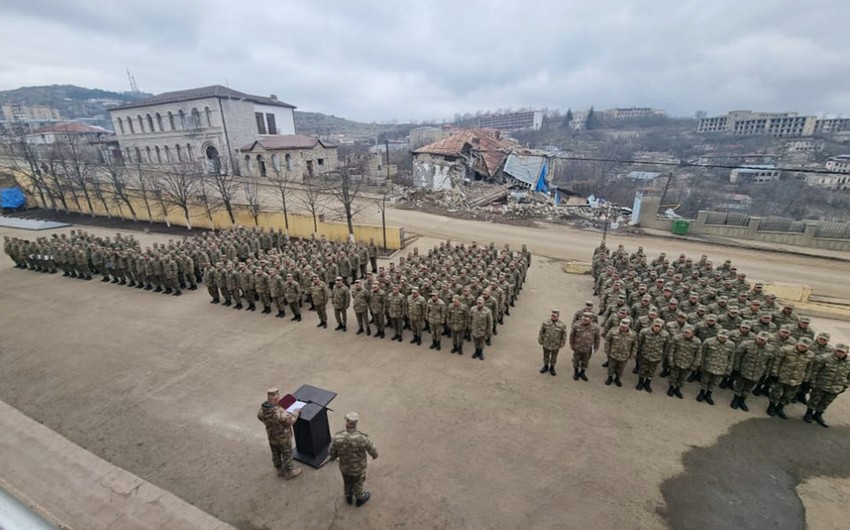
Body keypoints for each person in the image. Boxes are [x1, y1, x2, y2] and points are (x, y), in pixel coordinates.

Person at [329, 412, 379, 507]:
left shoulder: (337, 437)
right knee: (358, 482)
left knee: (347, 482)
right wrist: (374, 455)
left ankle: (348, 497)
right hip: (358, 468)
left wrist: (333, 457)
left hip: (345, 467)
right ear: (356, 423)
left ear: (346, 423)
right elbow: (373, 451)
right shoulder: (362, 438)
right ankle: (360, 497)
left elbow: (331, 451)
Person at [257, 388, 302, 480]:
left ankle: (279, 469)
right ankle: (289, 472)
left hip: (271, 435)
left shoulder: (262, 409)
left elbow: (260, 417)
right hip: (283, 437)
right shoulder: (279, 412)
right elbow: (290, 421)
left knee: (275, 452)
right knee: (287, 453)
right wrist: (295, 413)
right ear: (276, 399)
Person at [805, 343, 850, 427]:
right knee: (814, 399)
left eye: (842, 352)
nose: (840, 353)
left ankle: (818, 414)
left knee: (826, 402)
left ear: (847, 352)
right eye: (838, 351)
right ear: (834, 350)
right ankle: (809, 413)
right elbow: (815, 372)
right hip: (821, 385)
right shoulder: (824, 358)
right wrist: (813, 383)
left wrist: (845, 386)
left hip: (836, 387)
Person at [604, 319, 637, 387]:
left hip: (624, 355)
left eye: (624, 327)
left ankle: (617, 378)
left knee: (620, 368)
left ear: (628, 326)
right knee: (611, 367)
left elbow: (635, 345)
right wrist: (607, 350)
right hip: (613, 354)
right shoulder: (613, 331)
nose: (623, 328)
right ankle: (610, 378)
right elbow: (607, 341)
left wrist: (633, 354)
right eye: (622, 326)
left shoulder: (633, 334)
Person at [569, 312, 601, 381]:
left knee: (585, 361)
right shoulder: (576, 325)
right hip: (577, 347)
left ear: (590, 320)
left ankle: (582, 372)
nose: (584, 321)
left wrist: (596, 347)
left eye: (586, 320)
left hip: (588, 348)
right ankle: (576, 372)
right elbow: (572, 336)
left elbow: (597, 338)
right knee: (576, 361)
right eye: (584, 319)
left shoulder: (595, 327)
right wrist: (571, 344)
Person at [538, 309, 569, 376]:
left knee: (554, 357)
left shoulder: (562, 325)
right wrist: (540, 340)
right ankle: (545, 366)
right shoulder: (545, 323)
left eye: (555, 316)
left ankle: (552, 367)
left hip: (555, 344)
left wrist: (562, 343)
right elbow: (541, 332)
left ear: (558, 316)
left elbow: (564, 335)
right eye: (552, 315)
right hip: (546, 343)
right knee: (546, 356)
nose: (553, 317)